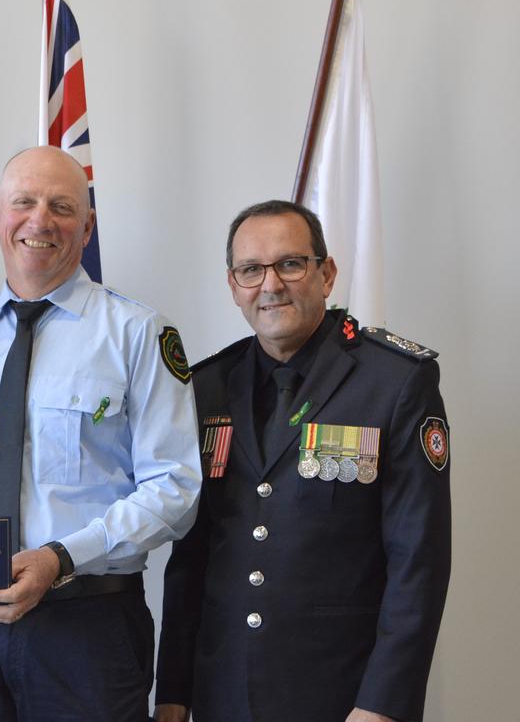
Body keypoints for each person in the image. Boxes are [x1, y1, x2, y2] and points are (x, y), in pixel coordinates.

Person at [0, 145, 201, 722]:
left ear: (87, 225)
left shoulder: (138, 333)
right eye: (23, 203)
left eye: (61, 206)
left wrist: (60, 558)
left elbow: (175, 488)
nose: (40, 221)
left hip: (89, 627)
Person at [154, 200, 451, 722]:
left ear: (326, 273)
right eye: (251, 270)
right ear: (233, 284)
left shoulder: (394, 382)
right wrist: (173, 690)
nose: (270, 285)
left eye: (290, 264)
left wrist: (382, 703)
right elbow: (191, 559)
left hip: (341, 693)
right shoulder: (208, 387)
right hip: (223, 692)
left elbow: (418, 563)